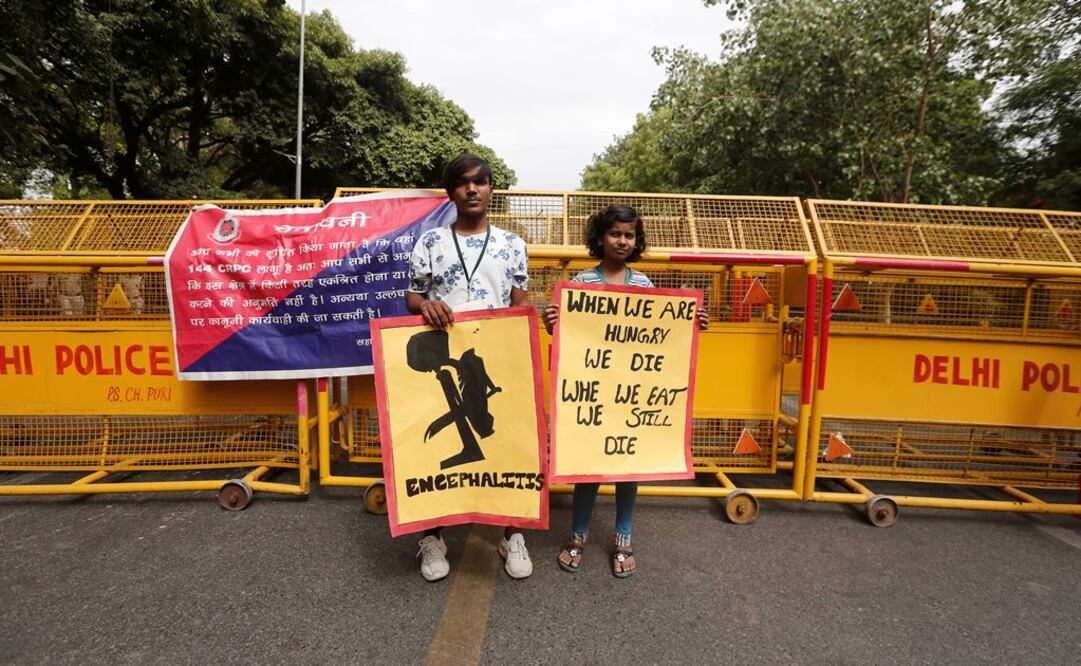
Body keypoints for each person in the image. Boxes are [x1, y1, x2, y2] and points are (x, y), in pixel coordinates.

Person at [542, 204, 709, 578]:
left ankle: (623, 537)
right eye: (615, 233)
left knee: (628, 468)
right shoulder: (582, 283)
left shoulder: (644, 285)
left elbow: (662, 337)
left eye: (629, 235)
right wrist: (552, 322)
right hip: (593, 394)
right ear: (600, 237)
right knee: (588, 468)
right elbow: (569, 337)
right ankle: (578, 535)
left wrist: (692, 323)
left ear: (637, 241)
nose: (622, 240)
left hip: (631, 395)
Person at [405, 153, 533, 582]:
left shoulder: (514, 245)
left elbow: (518, 306)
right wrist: (427, 304)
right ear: (451, 193)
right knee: (436, 449)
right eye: (463, 183)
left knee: (505, 440)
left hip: (493, 358)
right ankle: (432, 536)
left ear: (491, 188)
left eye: (480, 182)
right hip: (443, 357)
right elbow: (412, 297)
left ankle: (511, 532)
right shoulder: (430, 242)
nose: (472, 189)